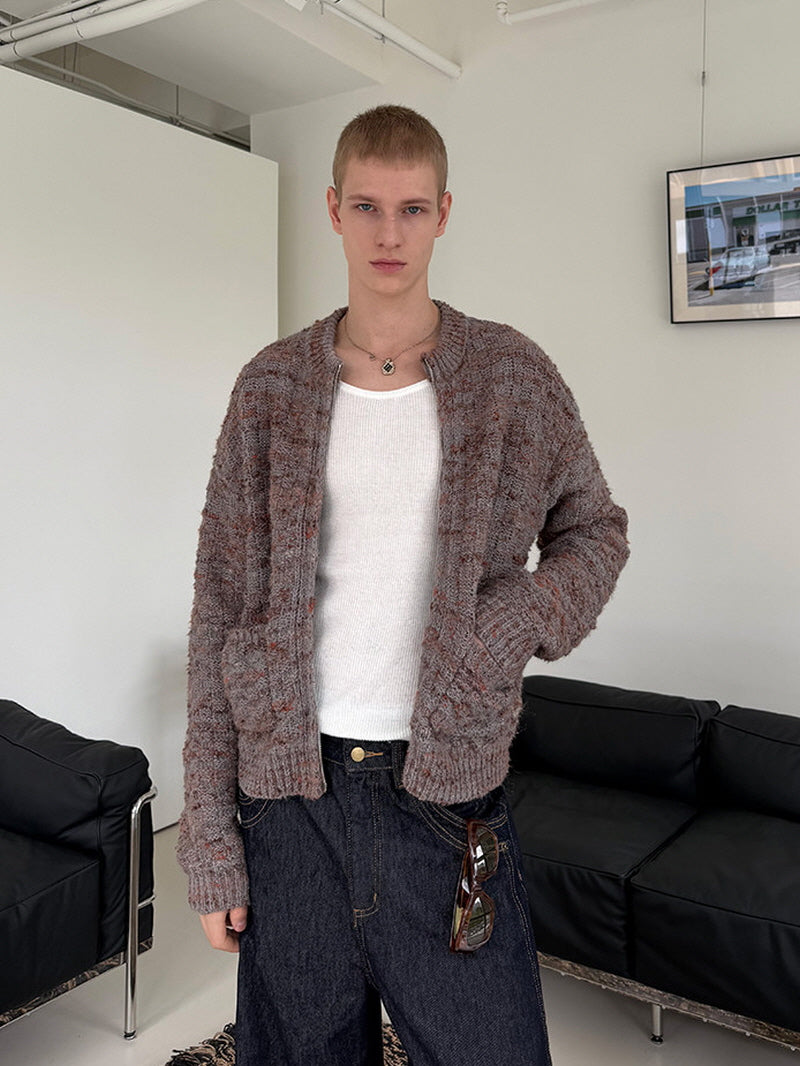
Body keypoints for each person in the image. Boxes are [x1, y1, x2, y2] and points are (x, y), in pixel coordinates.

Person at [178, 104, 629, 1066]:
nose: (390, 233)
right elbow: (219, 604)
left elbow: (595, 531)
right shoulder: (270, 388)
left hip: (446, 805)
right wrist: (210, 838)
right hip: (288, 807)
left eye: (413, 209)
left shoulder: (511, 377)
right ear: (333, 210)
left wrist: (512, 621)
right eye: (369, 207)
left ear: (444, 213)